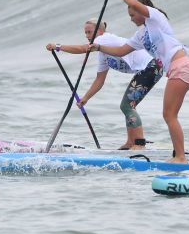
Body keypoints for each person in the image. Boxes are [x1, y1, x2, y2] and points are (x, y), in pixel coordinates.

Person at [88, 0, 189, 163]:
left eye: (132, 14)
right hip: (177, 70)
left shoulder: (156, 18)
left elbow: (135, 3)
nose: (131, 18)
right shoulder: (141, 34)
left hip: (182, 67)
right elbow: (121, 51)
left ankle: (180, 156)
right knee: (169, 115)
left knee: (169, 115)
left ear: (140, 11)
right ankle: (178, 154)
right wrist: (99, 47)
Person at [46, 18, 163, 150]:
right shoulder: (103, 53)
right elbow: (100, 80)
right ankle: (131, 143)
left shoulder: (104, 39)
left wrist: (58, 47)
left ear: (100, 31)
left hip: (151, 66)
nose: (87, 36)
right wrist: (85, 98)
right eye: (85, 33)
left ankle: (139, 144)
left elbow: (83, 48)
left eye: (89, 32)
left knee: (127, 106)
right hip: (149, 69)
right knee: (127, 105)